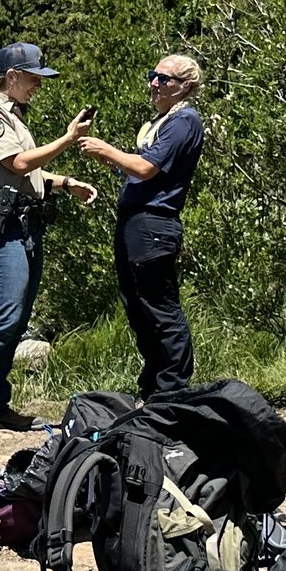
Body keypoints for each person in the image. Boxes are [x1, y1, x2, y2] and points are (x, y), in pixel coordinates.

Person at [0, 42, 100, 432]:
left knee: (18, 318)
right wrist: (69, 138)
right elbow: (18, 163)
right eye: (34, 78)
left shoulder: (14, 116)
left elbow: (29, 177)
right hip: (3, 226)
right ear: (12, 76)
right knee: (5, 314)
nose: (38, 85)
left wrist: (66, 183)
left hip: (23, 223)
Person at [79, 56, 204, 399]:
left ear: (185, 87)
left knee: (159, 306)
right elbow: (136, 170)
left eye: (164, 79)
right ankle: (153, 386)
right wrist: (107, 158)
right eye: (153, 76)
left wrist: (106, 148)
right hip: (135, 221)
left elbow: (146, 167)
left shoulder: (184, 122)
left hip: (154, 223)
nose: (155, 84)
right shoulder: (160, 122)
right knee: (137, 306)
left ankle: (173, 388)